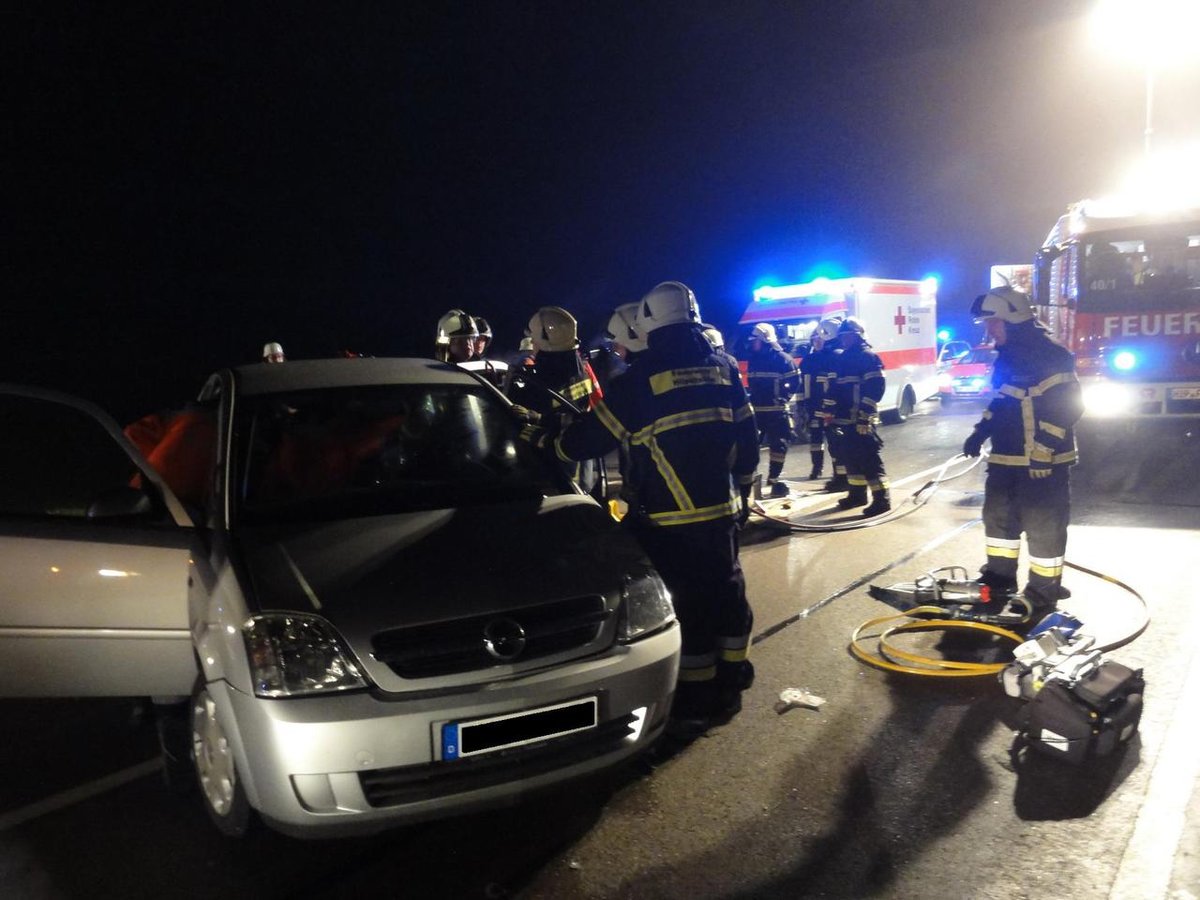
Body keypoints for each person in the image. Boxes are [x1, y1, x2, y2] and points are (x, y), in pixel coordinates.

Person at [539, 281, 759, 730]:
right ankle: (733, 676)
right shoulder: (723, 368)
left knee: (689, 605)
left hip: (668, 519)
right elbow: (748, 438)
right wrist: (742, 492)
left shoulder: (639, 382)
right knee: (727, 591)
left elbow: (587, 440)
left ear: (648, 324)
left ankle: (697, 698)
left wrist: (549, 443)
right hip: (722, 511)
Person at [960, 285, 1083, 618]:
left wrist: (1044, 449)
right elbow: (1002, 402)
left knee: (1044, 527)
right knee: (999, 521)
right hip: (1006, 458)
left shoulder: (1052, 355)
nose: (989, 330)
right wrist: (980, 432)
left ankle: (1043, 591)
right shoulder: (1007, 357)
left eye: (994, 322)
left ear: (1013, 320)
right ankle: (999, 577)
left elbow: (1068, 406)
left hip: (1043, 463)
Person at [509, 305, 603, 493]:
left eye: (534, 339)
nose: (532, 343)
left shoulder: (544, 378)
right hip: (571, 464)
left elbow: (563, 413)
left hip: (553, 469)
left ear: (545, 340)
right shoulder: (579, 370)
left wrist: (537, 417)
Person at [825, 316, 890, 516]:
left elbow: (875, 388)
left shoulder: (868, 357)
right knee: (850, 458)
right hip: (843, 418)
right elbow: (833, 388)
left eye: (848, 336)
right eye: (842, 336)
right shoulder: (841, 359)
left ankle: (882, 499)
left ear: (858, 336)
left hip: (861, 419)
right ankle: (857, 495)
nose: (844, 339)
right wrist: (828, 411)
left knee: (869, 459)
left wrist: (865, 415)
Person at [744, 322, 799, 498]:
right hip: (757, 412)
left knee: (779, 446)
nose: (751, 343)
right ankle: (750, 481)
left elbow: (794, 382)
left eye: (754, 340)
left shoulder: (783, 359)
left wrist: (782, 397)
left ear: (764, 340)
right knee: (751, 446)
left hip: (777, 411)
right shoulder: (754, 360)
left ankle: (774, 479)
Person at [799, 319, 842, 482]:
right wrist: (801, 405)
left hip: (829, 407)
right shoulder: (808, 360)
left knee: (834, 440)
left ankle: (838, 472)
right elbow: (802, 385)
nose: (816, 341)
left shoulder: (833, 358)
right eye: (814, 338)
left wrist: (830, 407)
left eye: (819, 338)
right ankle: (816, 468)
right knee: (815, 440)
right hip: (813, 406)